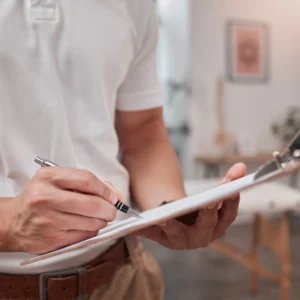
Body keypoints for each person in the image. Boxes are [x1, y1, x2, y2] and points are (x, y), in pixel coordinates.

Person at [0, 1, 246, 299]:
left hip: (122, 279)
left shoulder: (137, 5)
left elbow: (143, 133)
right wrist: (11, 222)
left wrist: (172, 211)